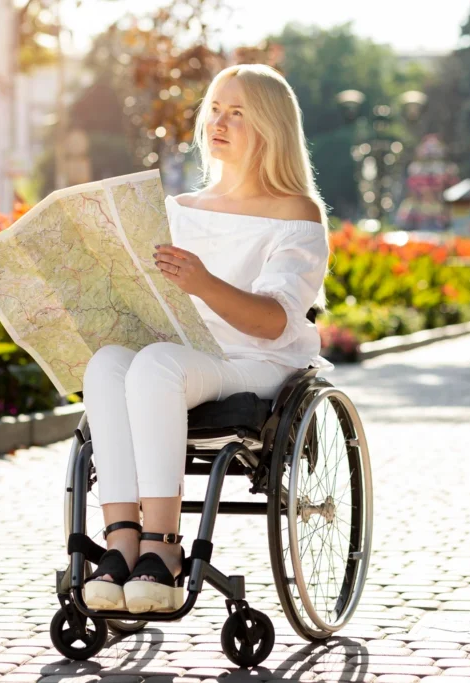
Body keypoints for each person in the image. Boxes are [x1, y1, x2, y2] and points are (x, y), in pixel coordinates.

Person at [81, 64, 332, 615]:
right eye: (215, 108)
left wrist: (203, 282)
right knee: (106, 363)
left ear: (270, 127)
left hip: (257, 360)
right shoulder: (177, 211)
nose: (219, 121)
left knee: (156, 366)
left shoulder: (296, 214)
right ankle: (122, 544)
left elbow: (271, 321)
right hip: (178, 353)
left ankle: (163, 551)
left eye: (237, 113)